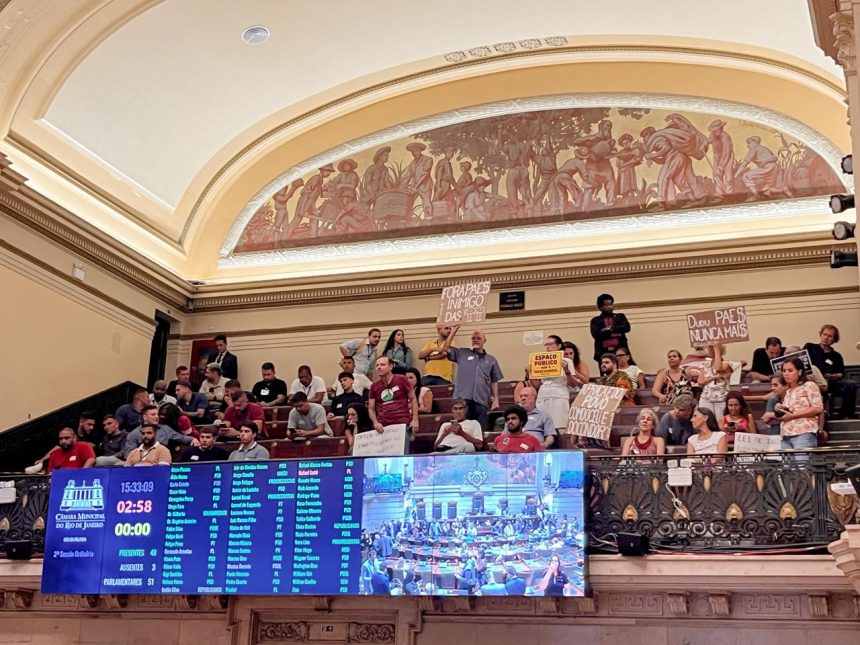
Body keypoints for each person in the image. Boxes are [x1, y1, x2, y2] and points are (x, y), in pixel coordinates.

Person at [443, 325, 503, 427]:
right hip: (462, 399)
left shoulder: (491, 360)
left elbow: (494, 380)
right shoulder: (462, 353)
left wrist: (496, 399)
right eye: (473, 338)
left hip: (481, 399)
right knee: (462, 427)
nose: (475, 340)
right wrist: (454, 330)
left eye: (478, 338)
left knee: (479, 430)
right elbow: (445, 348)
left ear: (484, 340)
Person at [767, 357, 824, 450]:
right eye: (784, 370)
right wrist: (780, 408)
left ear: (800, 372)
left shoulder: (809, 385)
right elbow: (789, 411)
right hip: (785, 434)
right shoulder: (788, 391)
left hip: (803, 433)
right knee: (787, 465)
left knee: (802, 464)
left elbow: (817, 408)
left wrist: (793, 416)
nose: (786, 373)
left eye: (790, 370)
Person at [529, 335, 580, 433]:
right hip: (543, 395)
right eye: (546, 344)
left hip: (559, 395)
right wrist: (530, 373)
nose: (547, 347)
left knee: (560, 427)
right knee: (543, 427)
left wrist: (567, 371)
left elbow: (573, 385)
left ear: (559, 345)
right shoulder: (540, 360)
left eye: (550, 344)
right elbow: (537, 385)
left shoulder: (567, 361)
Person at [804, 324, 857, 419]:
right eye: (824, 334)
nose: (826, 338)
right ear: (820, 335)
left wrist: (831, 376)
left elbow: (841, 373)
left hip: (831, 382)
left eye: (829, 336)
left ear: (834, 339)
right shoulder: (810, 347)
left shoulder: (836, 356)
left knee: (851, 384)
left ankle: (846, 414)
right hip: (811, 381)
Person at [368, 357, 419, 450]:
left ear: (391, 366)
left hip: (402, 424)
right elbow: (371, 408)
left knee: (402, 453)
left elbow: (413, 399)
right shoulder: (374, 386)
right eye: (377, 365)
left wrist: (415, 419)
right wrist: (375, 422)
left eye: (382, 365)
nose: (379, 367)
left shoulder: (401, 379)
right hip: (383, 427)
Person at [123, 405, 198, 456]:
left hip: (163, 461)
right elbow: (128, 454)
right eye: (153, 414)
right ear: (145, 417)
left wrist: (193, 439)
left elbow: (182, 438)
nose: (157, 417)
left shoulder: (165, 429)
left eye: (157, 414)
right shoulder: (134, 434)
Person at [589, 294, 631, 367]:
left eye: (610, 304)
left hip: (621, 350)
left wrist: (609, 329)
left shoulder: (620, 316)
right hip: (603, 351)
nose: (609, 307)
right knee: (606, 373)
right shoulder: (595, 320)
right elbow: (596, 334)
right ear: (600, 307)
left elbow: (626, 328)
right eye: (605, 305)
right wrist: (616, 330)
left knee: (624, 371)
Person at [697, 344, 732, 418]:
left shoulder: (727, 364)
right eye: (709, 347)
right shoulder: (704, 365)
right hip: (706, 398)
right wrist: (714, 377)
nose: (711, 349)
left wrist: (716, 348)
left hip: (721, 399)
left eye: (713, 348)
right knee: (705, 420)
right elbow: (700, 383)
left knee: (720, 422)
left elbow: (718, 368)